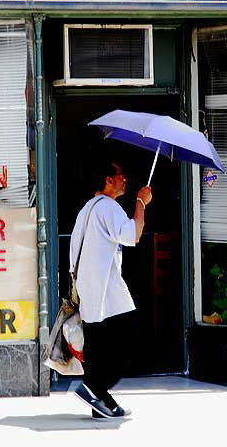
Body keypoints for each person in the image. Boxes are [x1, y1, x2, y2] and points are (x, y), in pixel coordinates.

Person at [70, 160, 152, 419]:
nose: (124, 179)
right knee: (127, 336)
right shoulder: (108, 207)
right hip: (106, 287)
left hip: (89, 288)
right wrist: (141, 202)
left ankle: (101, 403)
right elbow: (133, 235)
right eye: (120, 175)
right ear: (107, 180)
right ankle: (93, 388)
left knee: (98, 345)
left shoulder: (87, 209)